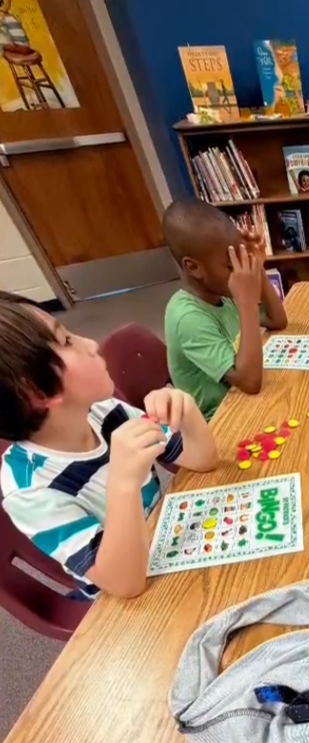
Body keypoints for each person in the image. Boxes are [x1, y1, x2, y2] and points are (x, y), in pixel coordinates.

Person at [0, 299, 219, 600]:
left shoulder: (103, 411)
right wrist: (123, 483)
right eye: (66, 341)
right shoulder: (29, 491)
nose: (90, 343)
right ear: (37, 391)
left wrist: (187, 411)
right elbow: (127, 584)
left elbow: (202, 459)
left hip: (166, 545)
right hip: (122, 605)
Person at [162, 199, 288, 421]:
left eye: (242, 261)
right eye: (232, 266)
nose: (241, 271)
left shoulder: (222, 293)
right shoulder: (187, 318)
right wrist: (247, 301)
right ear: (194, 267)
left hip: (244, 403)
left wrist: (256, 267)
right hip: (220, 423)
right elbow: (250, 382)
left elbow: (277, 319)